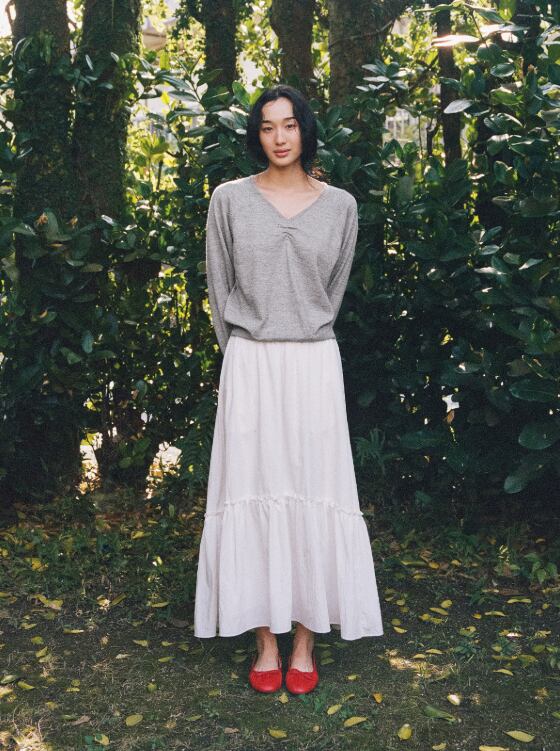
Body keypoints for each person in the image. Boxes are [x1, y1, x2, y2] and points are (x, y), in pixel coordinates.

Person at [193, 84, 383, 694]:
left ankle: (304, 642)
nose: (280, 137)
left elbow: (334, 288)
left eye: (290, 124)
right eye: (268, 126)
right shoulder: (229, 200)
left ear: (306, 130)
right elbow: (219, 286)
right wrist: (243, 354)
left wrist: (301, 333)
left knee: (312, 490)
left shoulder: (340, 207)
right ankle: (265, 643)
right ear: (257, 135)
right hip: (251, 364)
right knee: (252, 488)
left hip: (312, 366)